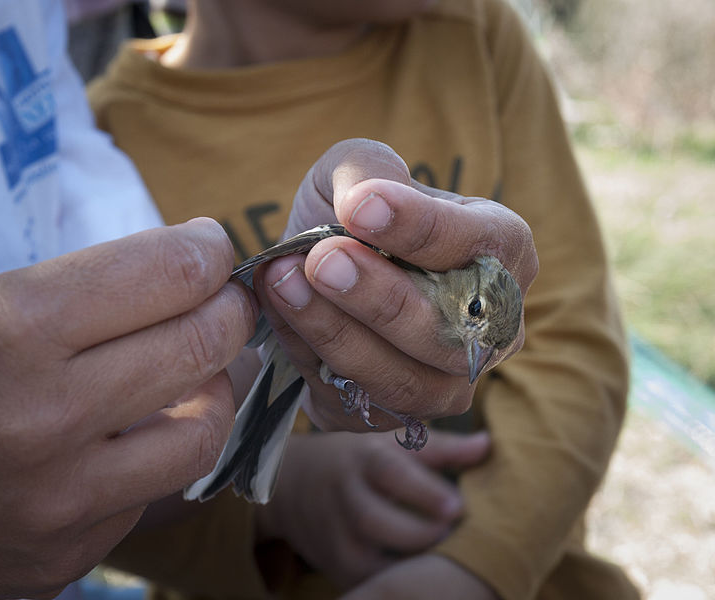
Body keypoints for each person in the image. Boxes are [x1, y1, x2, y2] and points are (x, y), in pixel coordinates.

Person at [0, 3, 536, 599]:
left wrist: (336, 379)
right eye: (477, 319)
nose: (473, 344)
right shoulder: (124, 108)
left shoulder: (29, 38)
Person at [88, 0, 637, 599]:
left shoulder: (474, 31)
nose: (476, 350)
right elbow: (78, 480)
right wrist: (285, 498)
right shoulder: (92, 143)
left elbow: (574, 344)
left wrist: (481, 563)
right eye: (477, 319)